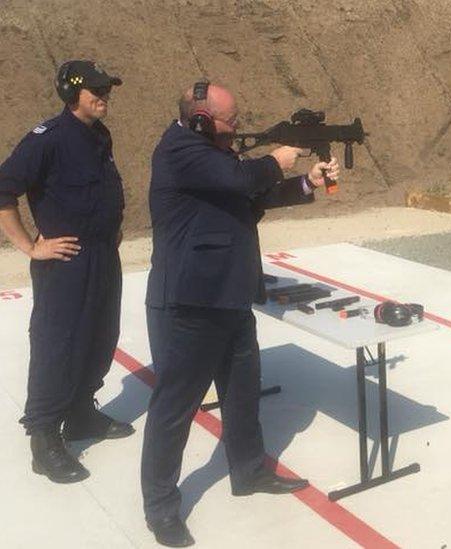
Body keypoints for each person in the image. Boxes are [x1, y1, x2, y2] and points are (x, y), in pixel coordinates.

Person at [141, 81, 340, 547]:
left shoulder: (213, 151)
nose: (237, 128)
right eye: (230, 121)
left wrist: (307, 182)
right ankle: (161, 508)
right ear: (201, 119)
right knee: (174, 409)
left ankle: (248, 471)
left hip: (230, 294)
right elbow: (243, 180)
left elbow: (251, 199)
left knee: (242, 392)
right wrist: (277, 158)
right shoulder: (180, 151)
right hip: (192, 302)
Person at [0, 60, 133, 484]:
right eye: (96, 89)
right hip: (65, 262)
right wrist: (30, 246)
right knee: (57, 345)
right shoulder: (48, 140)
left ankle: (80, 414)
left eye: (106, 88)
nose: (104, 95)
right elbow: (4, 190)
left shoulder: (99, 135)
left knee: (100, 336)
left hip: (101, 257)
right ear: (71, 94)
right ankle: (43, 438)